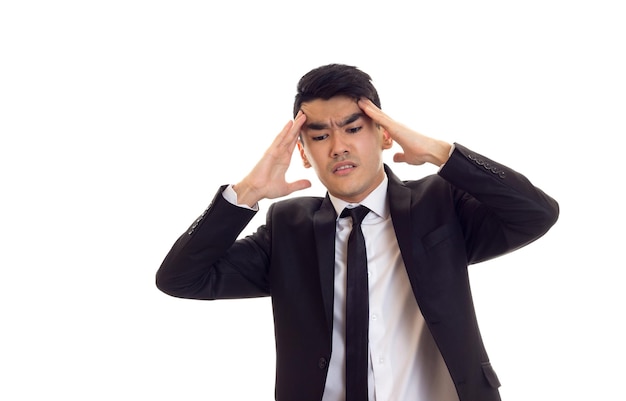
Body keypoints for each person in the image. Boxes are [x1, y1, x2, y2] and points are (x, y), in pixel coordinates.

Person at [156, 64, 559, 401]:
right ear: (303, 153)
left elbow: (536, 213)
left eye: (353, 129)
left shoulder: (440, 205)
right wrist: (246, 194)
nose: (337, 147)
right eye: (318, 136)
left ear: (384, 134)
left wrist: (442, 154)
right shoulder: (288, 228)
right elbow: (180, 278)